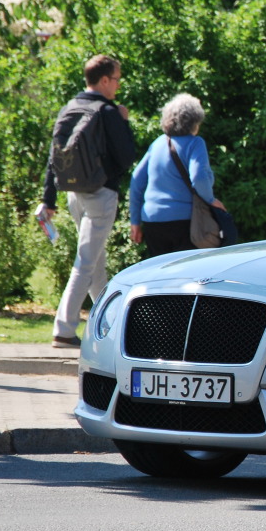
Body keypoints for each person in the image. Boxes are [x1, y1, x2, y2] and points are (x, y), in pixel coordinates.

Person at [42, 55, 136, 349]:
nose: (119, 86)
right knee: (86, 262)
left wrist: (49, 198)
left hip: (74, 194)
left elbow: (54, 157)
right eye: (118, 79)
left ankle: (108, 324)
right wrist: (123, 122)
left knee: (95, 262)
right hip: (101, 194)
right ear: (105, 80)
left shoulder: (70, 107)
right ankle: (64, 329)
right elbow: (126, 155)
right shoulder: (108, 112)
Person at [128, 93, 225, 258]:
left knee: (162, 275)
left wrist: (135, 221)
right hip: (184, 222)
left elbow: (137, 181)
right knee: (188, 276)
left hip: (153, 222)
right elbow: (199, 178)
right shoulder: (195, 143)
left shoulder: (157, 144)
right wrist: (211, 200)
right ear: (195, 121)